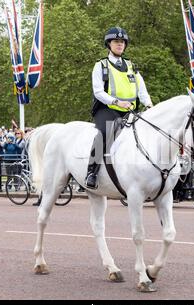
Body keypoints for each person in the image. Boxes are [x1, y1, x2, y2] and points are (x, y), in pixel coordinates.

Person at [85, 26, 153, 189]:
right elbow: (98, 91)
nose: (120, 44)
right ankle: (91, 172)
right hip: (107, 109)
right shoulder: (101, 66)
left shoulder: (131, 66)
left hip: (130, 111)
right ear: (109, 44)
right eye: (116, 41)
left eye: (122, 42)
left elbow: (141, 90)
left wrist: (149, 104)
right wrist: (117, 102)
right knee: (103, 134)